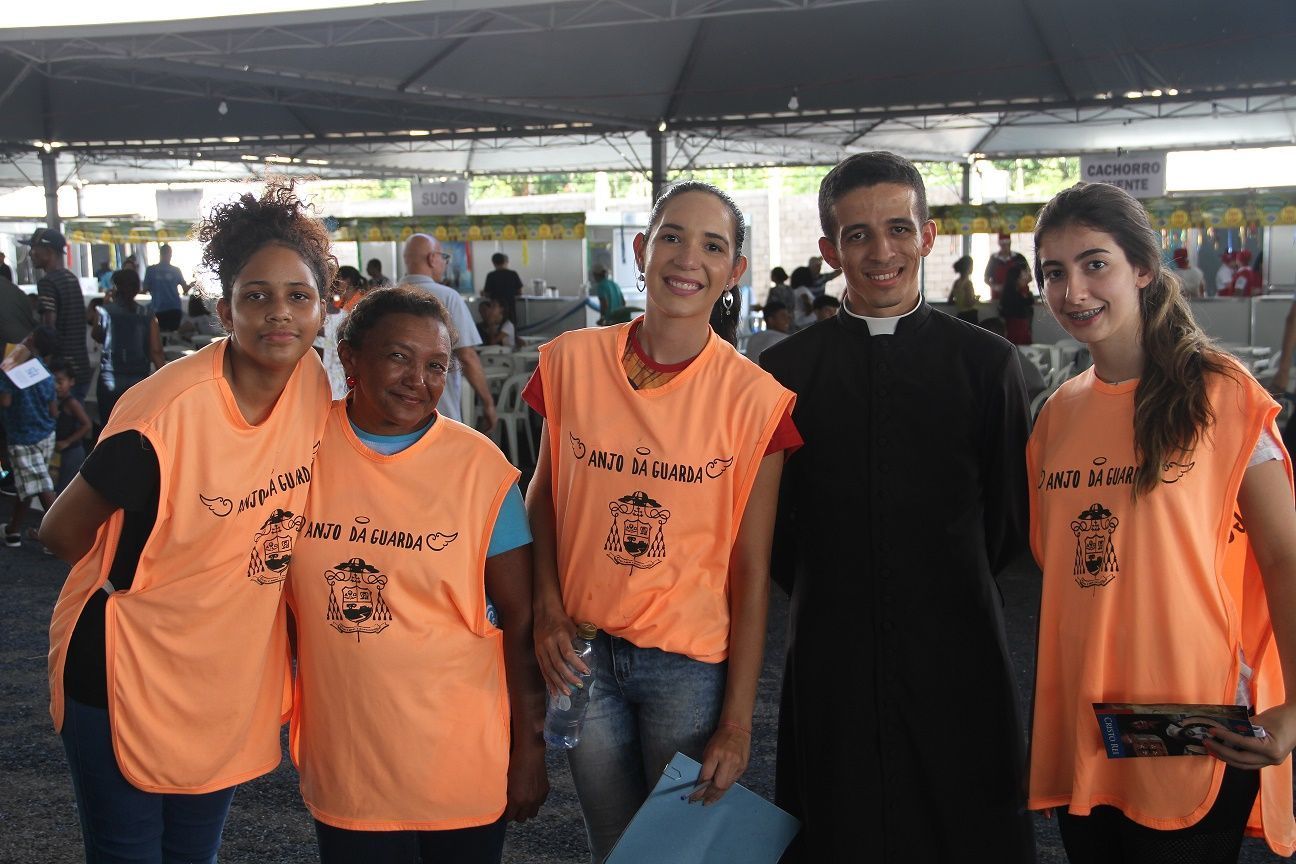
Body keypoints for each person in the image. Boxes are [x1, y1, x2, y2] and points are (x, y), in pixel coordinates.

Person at [41, 179, 332, 863]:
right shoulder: (164, 415)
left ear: (325, 306)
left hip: (224, 677)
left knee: (195, 855)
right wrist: (161, 581)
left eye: (298, 296)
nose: (279, 315)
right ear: (224, 309)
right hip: (124, 672)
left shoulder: (313, 383)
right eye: (255, 296)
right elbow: (59, 533)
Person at [761, 151, 1033, 863]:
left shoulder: (987, 364)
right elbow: (777, 531)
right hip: (832, 644)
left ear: (929, 235)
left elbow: (1008, 521)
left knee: (962, 820)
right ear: (829, 250)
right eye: (857, 236)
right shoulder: (787, 372)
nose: (881, 253)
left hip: (958, 641)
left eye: (898, 229)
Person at [524, 180, 799, 862]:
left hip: (687, 669)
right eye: (672, 236)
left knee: (679, 852)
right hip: (581, 654)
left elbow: (751, 569)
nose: (687, 258)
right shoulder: (571, 362)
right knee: (612, 844)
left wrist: (737, 720)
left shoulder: (755, 401)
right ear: (643, 250)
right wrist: (547, 609)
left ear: (734, 272)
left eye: (713, 246)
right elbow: (542, 496)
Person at [1027, 180, 1296, 860]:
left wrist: (1294, 709)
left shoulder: (1223, 395)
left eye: (1095, 264)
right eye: (1054, 272)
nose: (1074, 291)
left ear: (1142, 268)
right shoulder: (1057, 415)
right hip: (1089, 732)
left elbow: (1285, 560)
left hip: (1194, 727)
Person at [287, 286, 547, 863]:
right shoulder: (299, 450)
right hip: (349, 761)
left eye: (436, 365)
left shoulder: (480, 469)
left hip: (459, 758)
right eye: (398, 357)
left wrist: (530, 750)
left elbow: (522, 620)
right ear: (349, 357)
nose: (418, 380)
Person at [397, 234, 497, 432]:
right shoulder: (448, 297)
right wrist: (488, 402)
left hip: (394, 415)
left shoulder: (386, 295)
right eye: (444, 257)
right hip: (439, 415)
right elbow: (467, 356)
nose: (444, 263)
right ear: (432, 258)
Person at [1, 326, 58, 547]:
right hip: (46, 433)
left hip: (22, 437)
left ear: (30, 341)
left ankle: (60, 536)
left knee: (41, 485)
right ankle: (13, 531)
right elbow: (53, 409)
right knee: (28, 483)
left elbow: (5, 401)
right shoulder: (43, 371)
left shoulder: (13, 370)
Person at [23, 228, 92, 400]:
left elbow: (49, 330)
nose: (31, 254)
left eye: (34, 248)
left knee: (62, 424)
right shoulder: (71, 278)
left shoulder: (48, 282)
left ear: (49, 251)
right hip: (79, 368)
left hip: (60, 371)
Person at [92, 268, 167, 422]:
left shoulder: (104, 312)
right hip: (139, 379)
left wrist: (106, 304)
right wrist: (166, 378)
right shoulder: (148, 315)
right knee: (135, 428)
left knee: (109, 426)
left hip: (109, 378)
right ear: (137, 289)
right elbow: (156, 351)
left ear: (115, 288)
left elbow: (97, 335)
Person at [49, 359, 92, 495]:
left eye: (60, 382)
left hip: (72, 452)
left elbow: (87, 425)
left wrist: (67, 442)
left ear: (71, 382)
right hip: (58, 451)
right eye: (53, 382)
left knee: (64, 490)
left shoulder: (71, 403)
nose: (56, 386)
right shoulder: (53, 401)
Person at [142, 243, 191, 332]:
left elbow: (145, 290)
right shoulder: (176, 270)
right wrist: (193, 283)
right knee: (172, 335)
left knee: (160, 336)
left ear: (160, 253)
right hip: (174, 308)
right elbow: (185, 289)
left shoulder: (151, 270)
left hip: (158, 308)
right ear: (170, 254)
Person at [997, 261, 1036, 345]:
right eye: (1022, 276)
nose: (1026, 277)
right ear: (1017, 278)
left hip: (1019, 326)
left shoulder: (1016, 291)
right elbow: (1028, 301)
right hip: (1017, 327)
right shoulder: (1014, 294)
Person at [984, 231, 1028, 302]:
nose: (1005, 247)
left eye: (1007, 244)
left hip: (1018, 297)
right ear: (999, 244)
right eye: (1003, 244)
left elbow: (1029, 276)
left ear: (1010, 243)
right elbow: (986, 278)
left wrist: (1020, 284)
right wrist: (995, 287)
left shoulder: (1019, 257)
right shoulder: (993, 259)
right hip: (998, 297)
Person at [482, 252, 524, 323]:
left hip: (496, 309)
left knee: (497, 328)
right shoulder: (513, 274)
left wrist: (483, 293)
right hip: (510, 307)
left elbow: (487, 294)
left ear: (493, 263)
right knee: (511, 327)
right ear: (505, 261)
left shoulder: (491, 275)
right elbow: (520, 292)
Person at [949, 254, 979, 323]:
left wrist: (959, 302)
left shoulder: (956, 283)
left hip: (960, 315)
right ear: (968, 267)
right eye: (972, 266)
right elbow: (969, 303)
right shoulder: (968, 283)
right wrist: (977, 298)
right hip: (970, 316)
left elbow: (950, 301)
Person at [788, 266, 816, 330]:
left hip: (801, 321)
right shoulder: (802, 290)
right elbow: (807, 303)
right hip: (807, 322)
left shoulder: (796, 290)